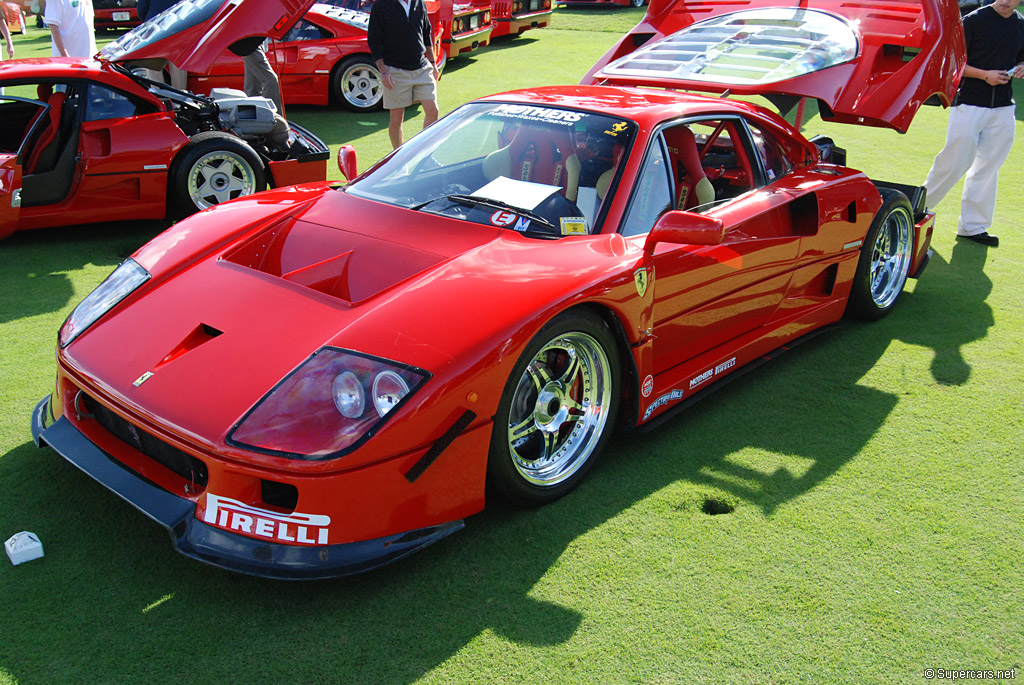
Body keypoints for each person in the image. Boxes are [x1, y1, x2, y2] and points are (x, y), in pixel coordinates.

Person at [922, 0, 1024, 247]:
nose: (1005, 1)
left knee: (989, 167)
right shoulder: (973, 21)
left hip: (1002, 106)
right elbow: (953, 61)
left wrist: (1021, 67)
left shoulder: (1020, 24)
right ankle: (917, 208)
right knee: (955, 160)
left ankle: (973, 227)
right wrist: (984, 75)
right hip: (968, 103)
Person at [367, 0, 439, 149]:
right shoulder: (381, 5)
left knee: (433, 111)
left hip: (421, 67)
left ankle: (425, 154)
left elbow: (426, 33)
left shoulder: (419, 2)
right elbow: (373, 40)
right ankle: (399, 160)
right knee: (396, 118)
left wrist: (432, 63)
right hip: (394, 70)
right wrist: (384, 72)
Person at [243, 39, 284, 114]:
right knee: (270, 80)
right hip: (250, 42)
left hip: (253, 43)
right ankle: (275, 119)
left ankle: (251, 119)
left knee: (252, 86)